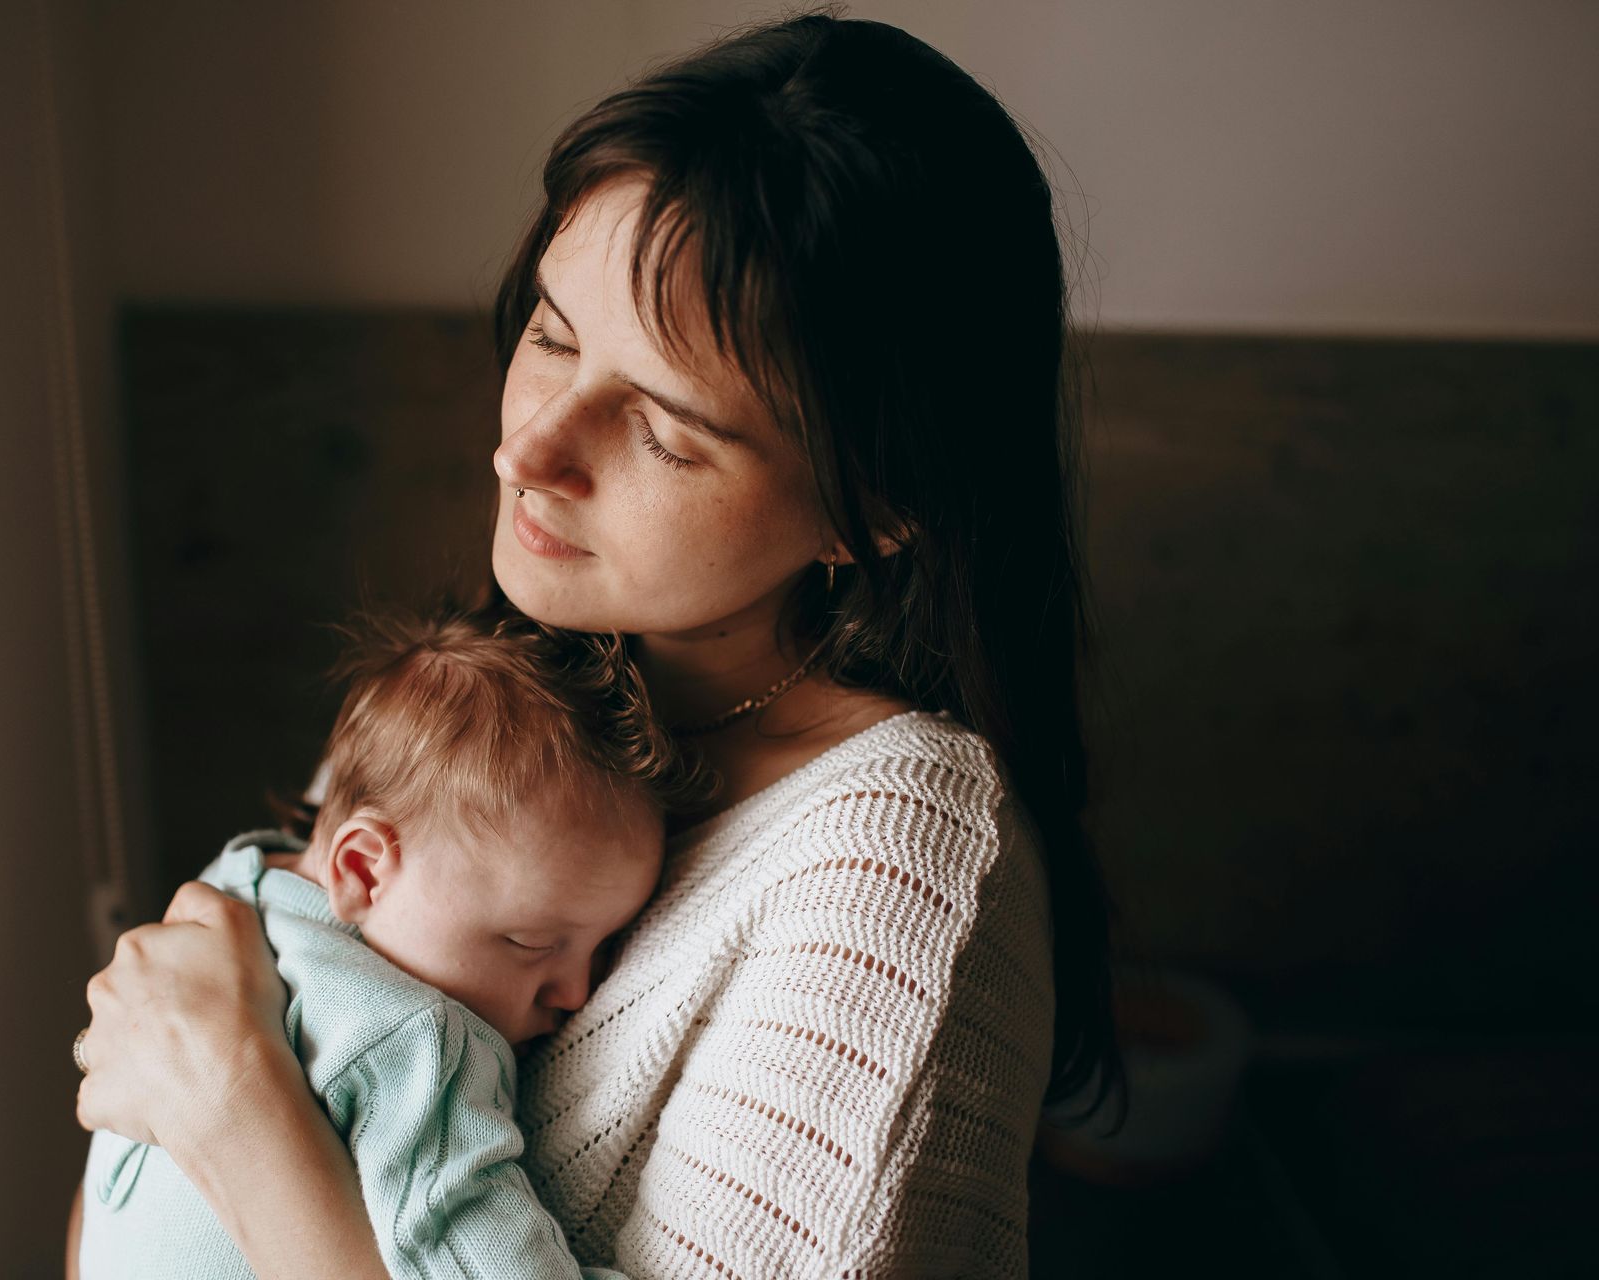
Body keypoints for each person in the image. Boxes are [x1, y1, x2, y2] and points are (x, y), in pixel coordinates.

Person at [73, 13, 1123, 1279]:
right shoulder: (509, 681)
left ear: (879, 504)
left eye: (668, 432)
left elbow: (205, 1075)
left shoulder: (892, 874)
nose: (529, 449)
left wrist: (240, 1112)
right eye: (555, 337)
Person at [75, 606, 699, 1278]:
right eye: (530, 941)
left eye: (605, 946)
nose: (577, 992)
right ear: (362, 868)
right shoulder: (415, 1040)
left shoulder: (233, 885)